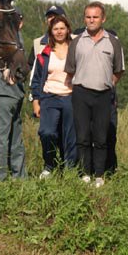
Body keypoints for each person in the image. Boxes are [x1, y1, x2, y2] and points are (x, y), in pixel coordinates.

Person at [65, 1, 125, 187]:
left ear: (103, 18)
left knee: (100, 137)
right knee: (82, 136)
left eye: (95, 17)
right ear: (85, 18)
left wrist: (108, 83)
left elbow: (119, 70)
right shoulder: (76, 42)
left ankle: (99, 175)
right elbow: (70, 70)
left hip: (104, 94)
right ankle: (85, 174)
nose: (91, 20)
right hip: (81, 93)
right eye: (88, 17)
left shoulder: (113, 42)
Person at [31, 15, 77, 178]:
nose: (59, 32)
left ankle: (70, 170)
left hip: (71, 97)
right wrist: (36, 102)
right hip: (49, 97)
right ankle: (49, 165)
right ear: (51, 31)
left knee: (70, 136)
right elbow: (36, 80)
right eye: (55, 29)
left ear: (67, 29)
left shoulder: (75, 49)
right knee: (46, 132)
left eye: (62, 28)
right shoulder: (44, 53)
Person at [0, 13, 27, 180]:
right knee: (15, 139)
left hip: (1, 92)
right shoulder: (19, 40)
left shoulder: (3, 39)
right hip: (16, 92)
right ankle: (21, 179)